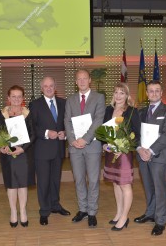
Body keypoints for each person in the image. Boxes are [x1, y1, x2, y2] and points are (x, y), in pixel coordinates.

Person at [64, 69, 105, 228]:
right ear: (76, 82)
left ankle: (92, 212)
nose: (81, 81)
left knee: (93, 180)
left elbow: (98, 120)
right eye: (78, 79)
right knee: (79, 179)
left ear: (89, 81)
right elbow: (66, 121)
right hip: (75, 147)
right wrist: (73, 140)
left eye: (84, 78)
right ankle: (83, 209)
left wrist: (85, 139)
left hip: (92, 145)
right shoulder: (70, 100)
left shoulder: (99, 97)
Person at [135, 80, 166, 236]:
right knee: (148, 187)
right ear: (146, 93)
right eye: (150, 91)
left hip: (159, 156)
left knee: (160, 189)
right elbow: (136, 134)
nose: (154, 93)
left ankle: (161, 220)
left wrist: (150, 151)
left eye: (157, 90)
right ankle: (150, 213)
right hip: (142, 156)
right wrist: (139, 149)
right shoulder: (140, 112)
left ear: (162, 92)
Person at [31, 76, 70, 226]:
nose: (48, 88)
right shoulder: (35, 104)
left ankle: (55, 205)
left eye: (51, 86)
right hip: (42, 150)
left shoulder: (63, 103)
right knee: (43, 182)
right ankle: (44, 210)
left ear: (55, 87)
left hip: (58, 150)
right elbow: (33, 127)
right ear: (42, 88)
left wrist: (65, 133)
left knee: (55, 180)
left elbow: (68, 123)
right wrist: (47, 133)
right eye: (46, 86)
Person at [102, 82, 140, 231]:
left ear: (127, 95)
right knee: (115, 183)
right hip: (110, 152)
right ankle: (118, 213)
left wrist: (123, 147)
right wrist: (104, 145)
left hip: (124, 154)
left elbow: (137, 133)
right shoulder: (108, 110)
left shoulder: (132, 111)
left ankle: (124, 217)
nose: (118, 96)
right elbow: (104, 132)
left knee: (125, 184)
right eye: (116, 92)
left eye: (122, 93)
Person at [0, 85, 35, 228]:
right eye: (13, 96)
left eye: (19, 96)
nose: (16, 99)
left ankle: (23, 211)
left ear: (23, 98)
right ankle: (13, 212)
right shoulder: (1, 114)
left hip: (23, 154)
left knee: (22, 184)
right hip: (7, 154)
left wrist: (22, 148)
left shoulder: (28, 113)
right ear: (8, 98)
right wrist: (2, 146)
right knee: (11, 184)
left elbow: (33, 134)